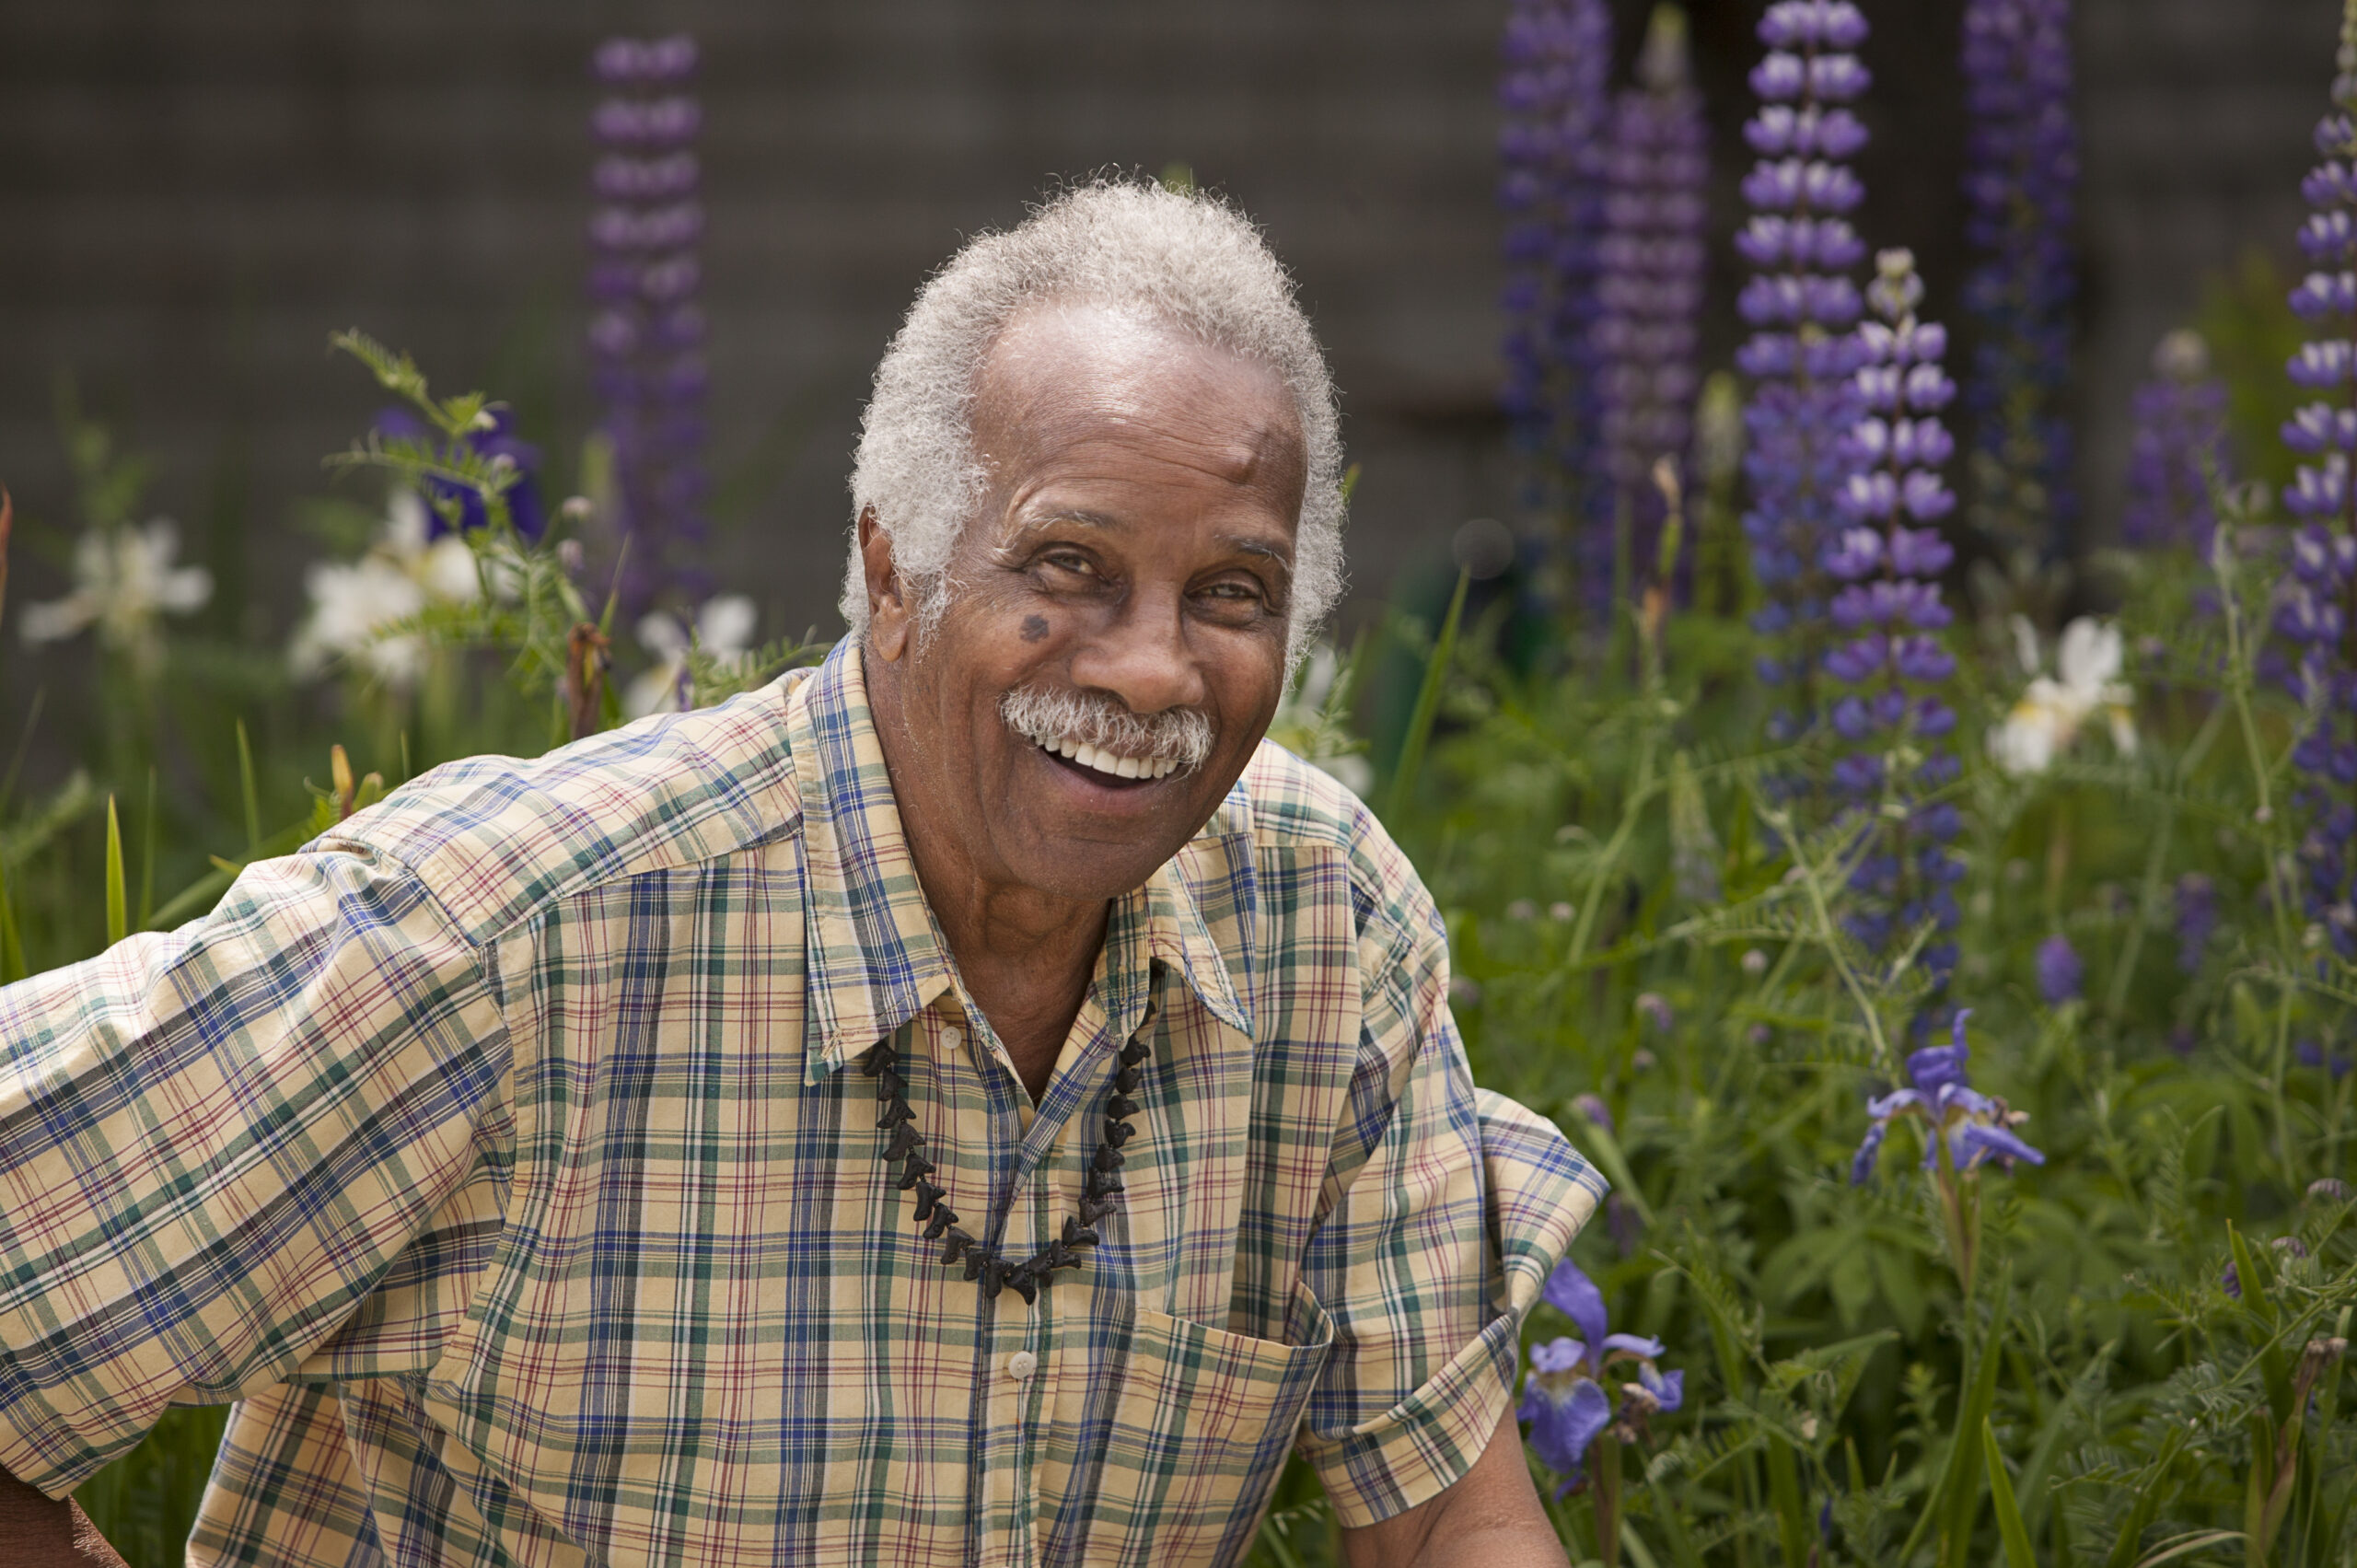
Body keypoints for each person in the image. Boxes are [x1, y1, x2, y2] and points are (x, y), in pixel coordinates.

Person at [0, 180, 1602, 1567]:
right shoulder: (516, 931)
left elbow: (1445, 1518)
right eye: (1071, 569)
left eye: (1233, 593)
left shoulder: (1325, 926)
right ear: (895, 569)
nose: (1150, 672)